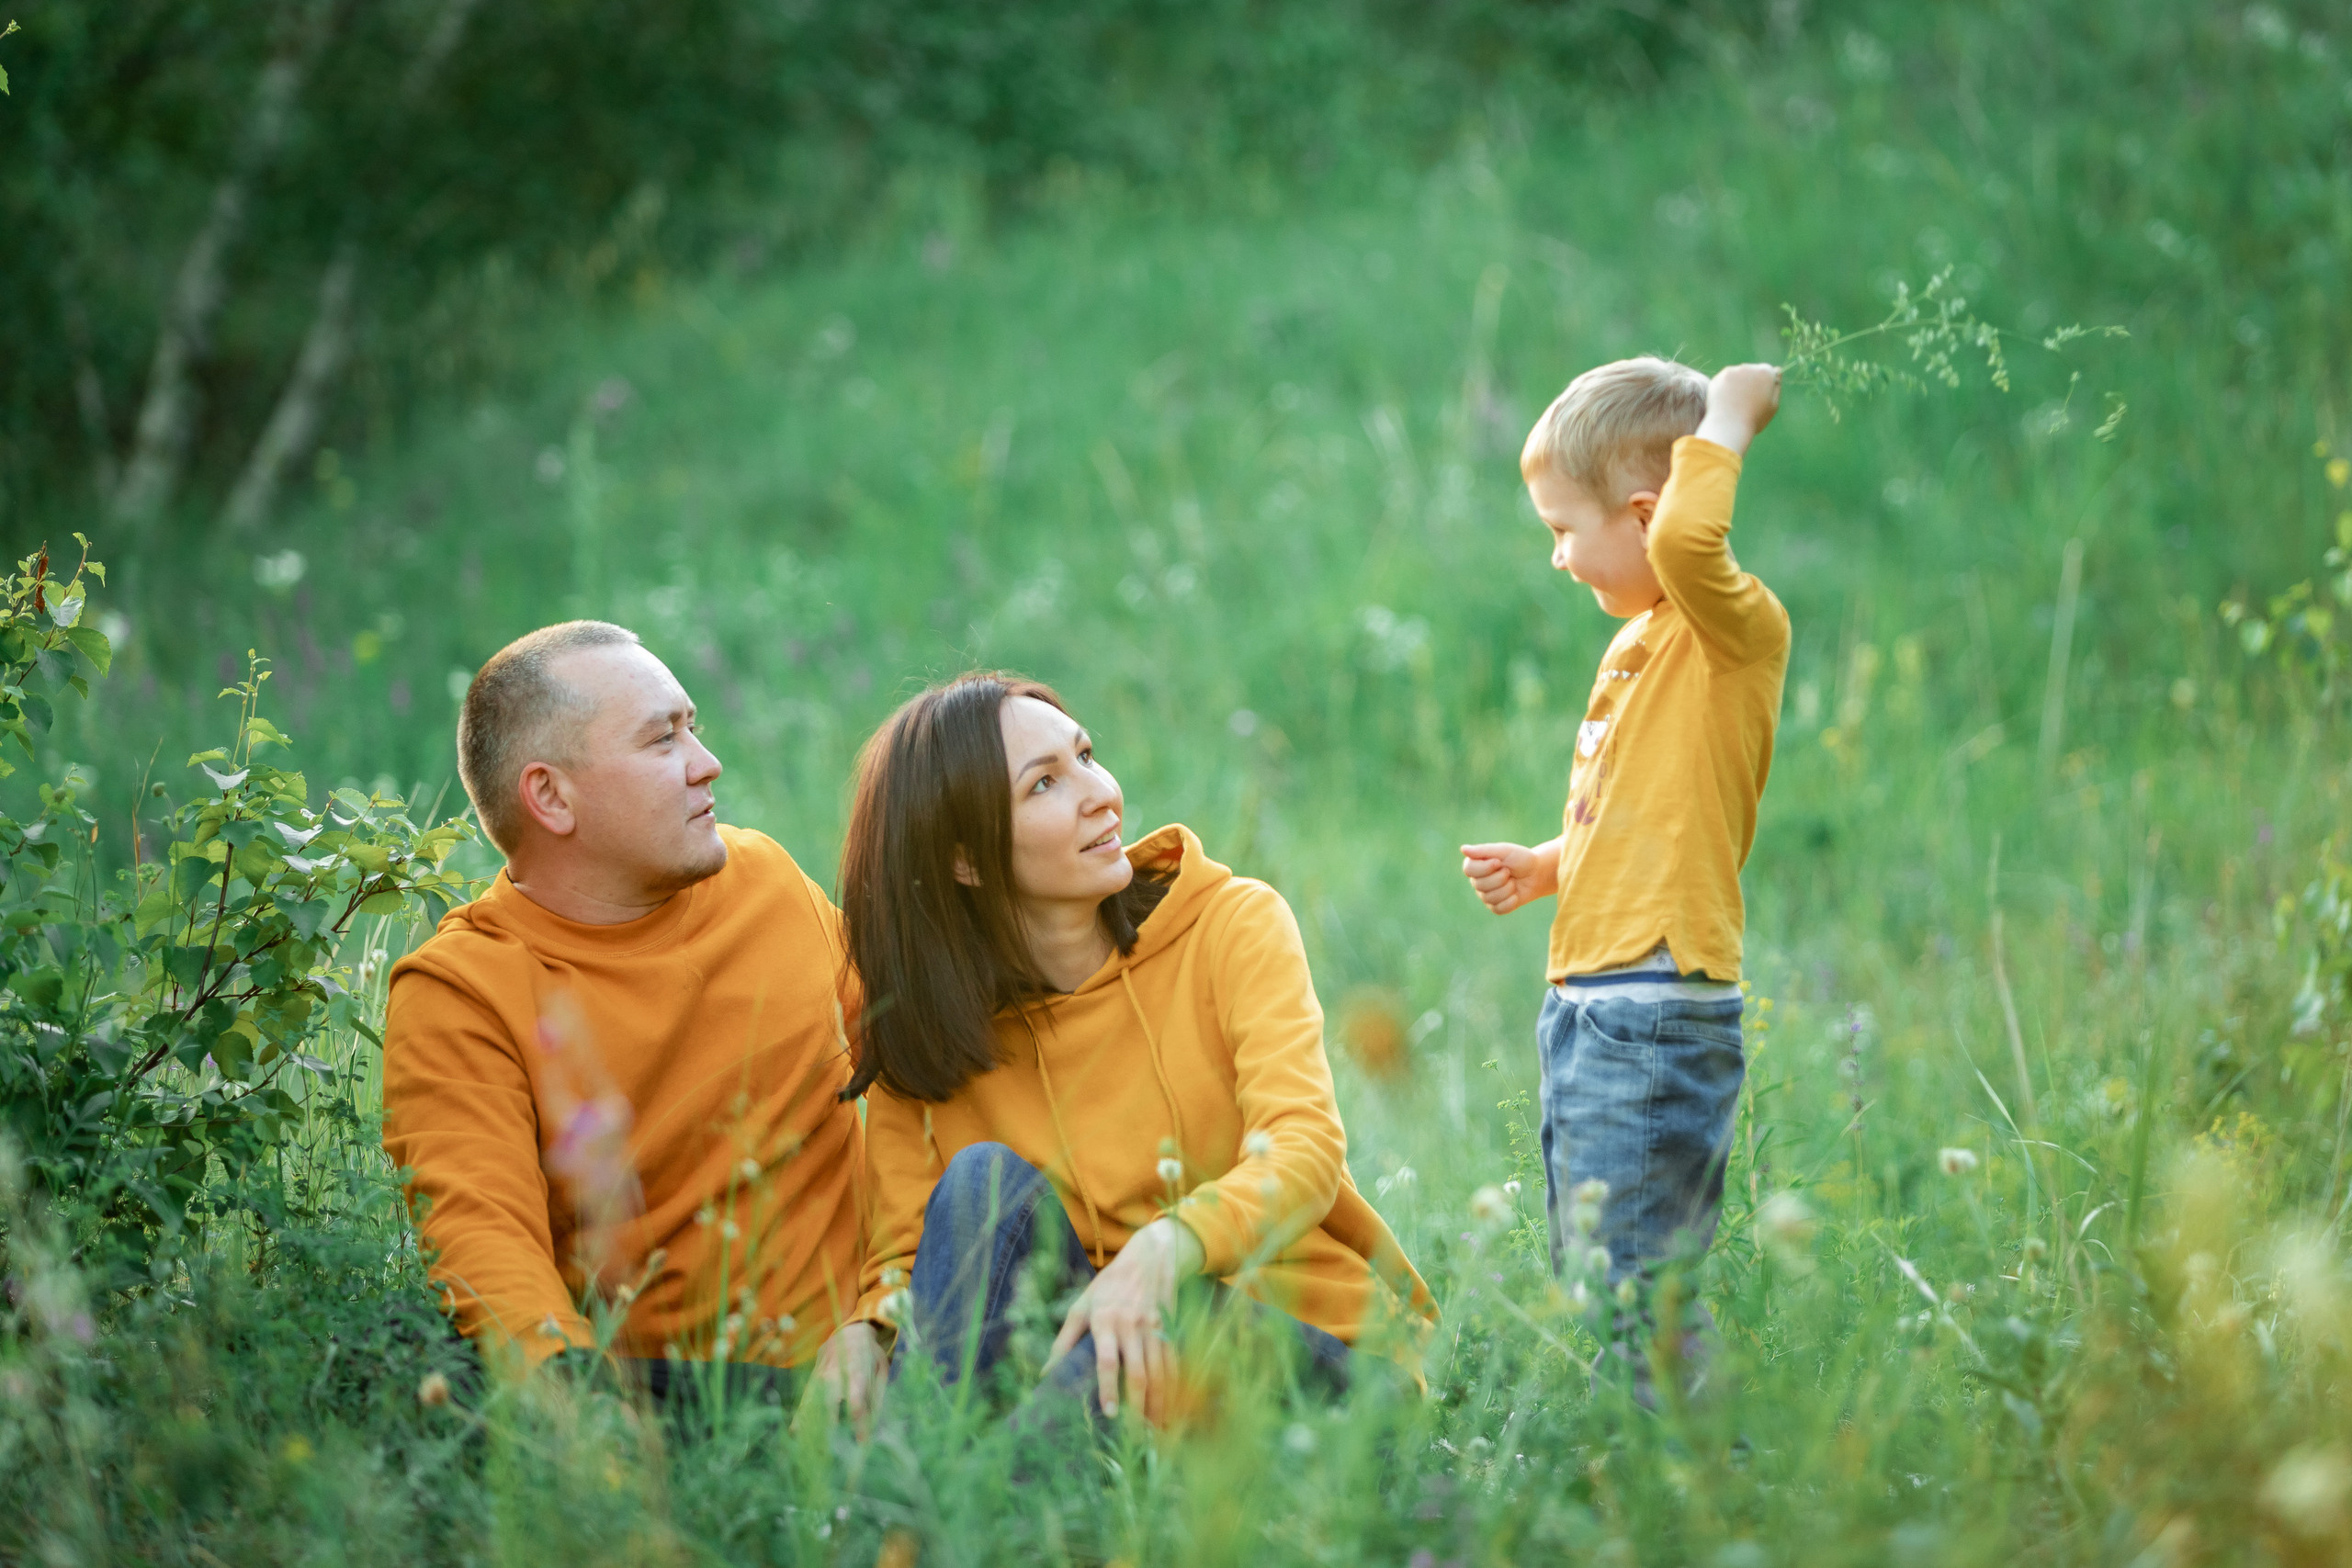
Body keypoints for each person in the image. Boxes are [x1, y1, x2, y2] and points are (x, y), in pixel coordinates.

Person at [838, 673, 1433, 1426]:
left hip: (1323, 1364)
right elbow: (912, 1255)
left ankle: (917, 1525)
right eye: (1046, 783)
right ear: (967, 860)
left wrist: (1166, 1247)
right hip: (1106, 1366)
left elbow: (1304, 1148)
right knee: (982, 1183)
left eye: (1085, 755)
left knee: (1127, 1336)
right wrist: (870, 1328)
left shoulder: (1231, 926)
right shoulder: (935, 1037)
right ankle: (940, 1501)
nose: (1099, 793)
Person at [382, 620, 887, 1416]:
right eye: (663, 741)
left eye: (694, 727)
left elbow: (915, 1083)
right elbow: (485, 1241)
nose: (706, 763)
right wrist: (595, 1431)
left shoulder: (768, 880)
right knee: (431, 1369)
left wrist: (883, 1313)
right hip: (664, 1396)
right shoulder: (463, 990)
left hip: (875, 1353)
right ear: (550, 796)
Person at [1458, 359, 1788, 1400]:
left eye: (1563, 529)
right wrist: (1549, 865)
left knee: (1634, 1295)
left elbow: (1692, 539)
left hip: (1651, 1013)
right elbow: (1647, 818)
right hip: (1593, 1007)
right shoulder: (1639, 646)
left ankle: (1688, 1484)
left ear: (1644, 514)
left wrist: (1726, 418)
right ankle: (1636, 1476)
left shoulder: (1728, 628)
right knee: (1596, 1279)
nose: (1556, 557)